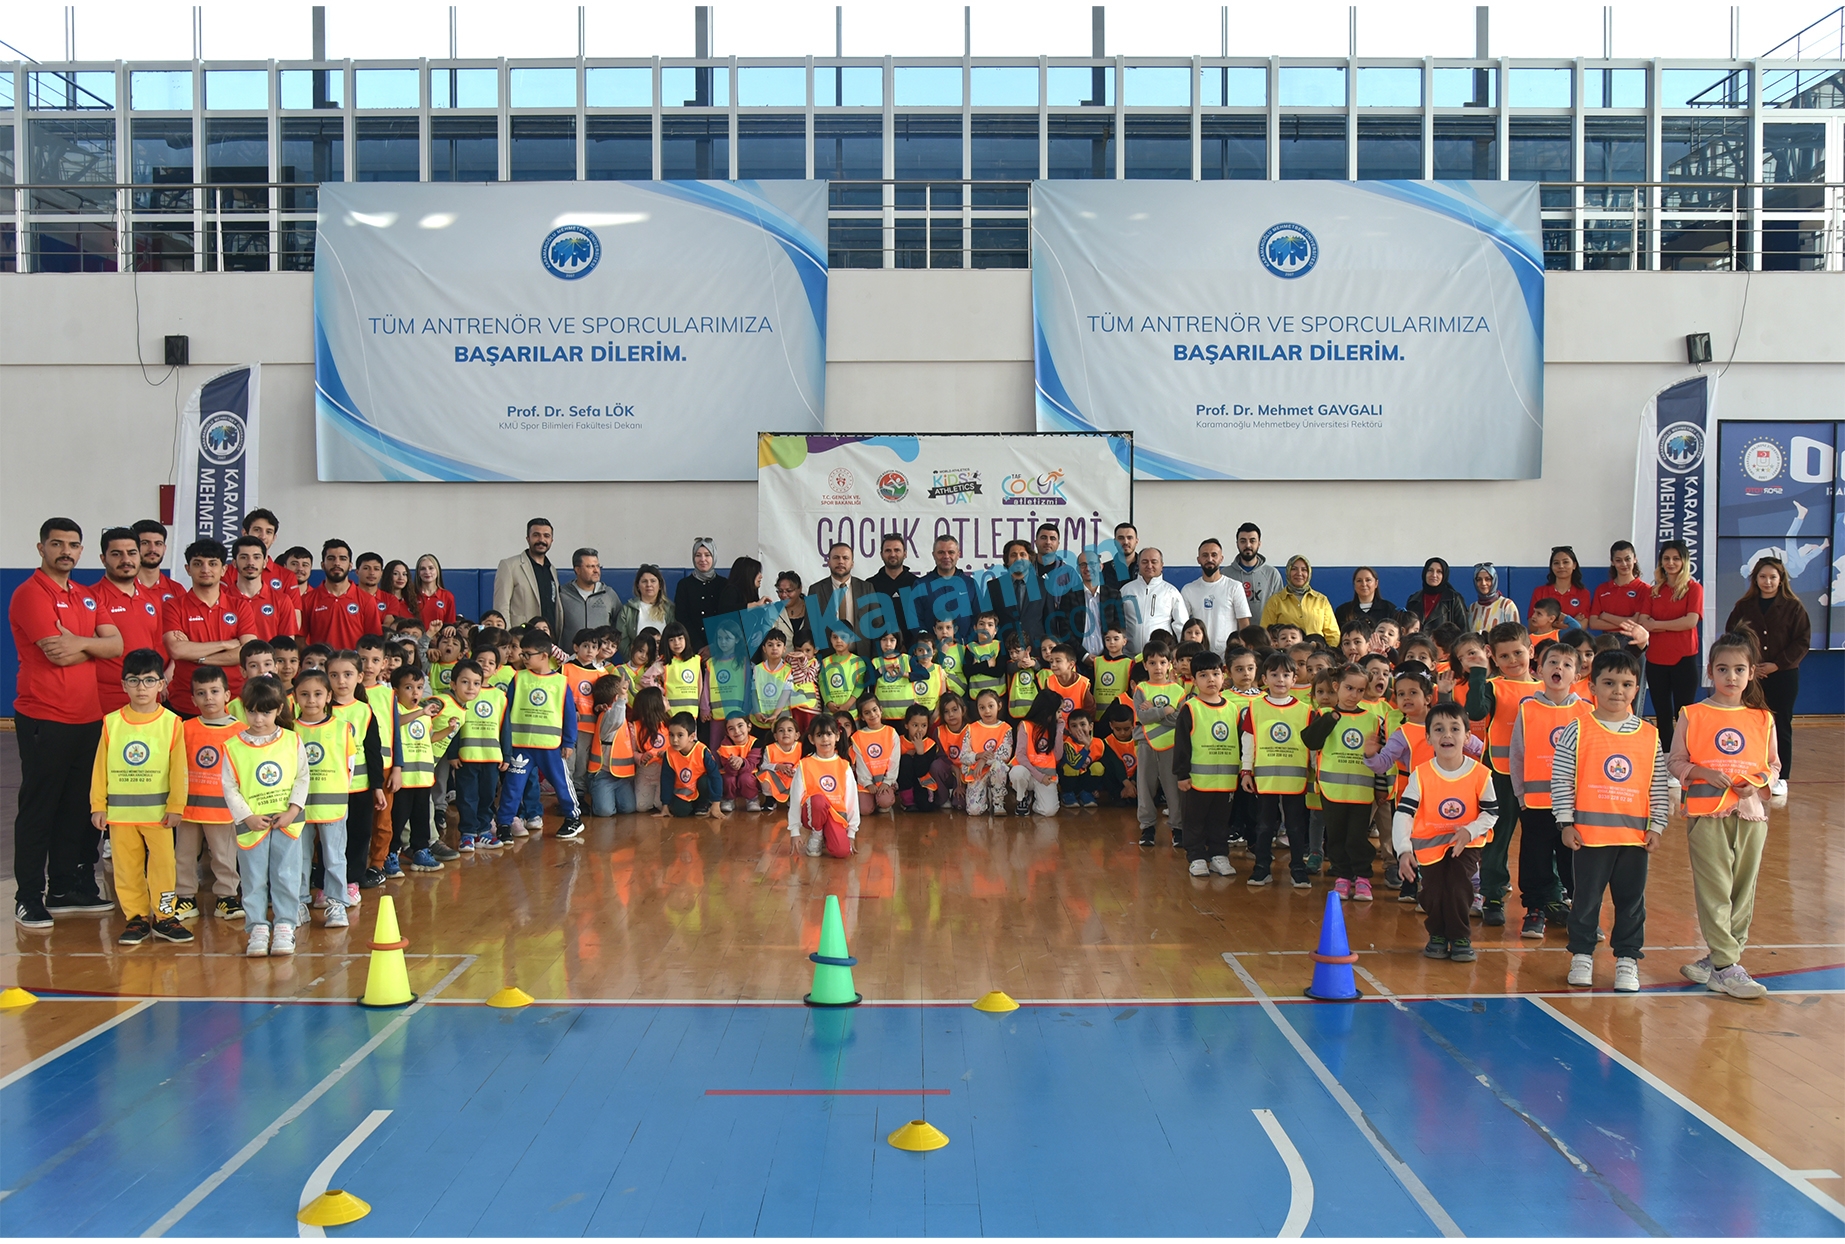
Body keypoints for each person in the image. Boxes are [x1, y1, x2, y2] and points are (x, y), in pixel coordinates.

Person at [1671, 631, 1778, 1000]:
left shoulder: (1763, 718)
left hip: (1751, 816)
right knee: (1714, 889)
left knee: (1742, 891)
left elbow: (1773, 766)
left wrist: (1756, 783)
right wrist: (1701, 772)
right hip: (1707, 815)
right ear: (1710, 672)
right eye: (1722, 669)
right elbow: (1676, 761)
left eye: (1739, 669)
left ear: (1751, 672)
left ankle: (1720, 958)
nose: (1731, 676)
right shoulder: (1693, 714)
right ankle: (1726, 965)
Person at [1555, 648, 1668, 993]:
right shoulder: (1577, 730)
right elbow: (1561, 779)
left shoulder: (1649, 735)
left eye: (1626, 684)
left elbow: (1657, 784)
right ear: (1592, 686)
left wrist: (1657, 826)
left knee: (1631, 902)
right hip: (1590, 838)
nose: (1617, 690)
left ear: (1637, 689)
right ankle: (1582, 954)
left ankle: (1627, 959)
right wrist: (1565, 823)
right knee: (1586, 900)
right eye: (1608, 683)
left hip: (1634, 839)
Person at [89, 647, 191, 945]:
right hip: (121, 816)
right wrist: (98, 805)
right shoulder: (112, 722)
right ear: (124, 685)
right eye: (134, 680)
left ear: (161, 684)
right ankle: (135, 918)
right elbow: (100, 768)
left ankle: (164, 916)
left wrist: (176, 805)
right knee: (126, 868)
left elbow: (179, 769)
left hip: (158, 815)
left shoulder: (171, 722)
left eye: (149, 680)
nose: (141, 687)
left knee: (163, 866)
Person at [1394, 701, 1497, 964]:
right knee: (1433, 890)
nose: (1447, 735)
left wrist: (1469, 832)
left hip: (1466, 845)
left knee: (1459, 886)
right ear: (1428, 737)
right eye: (1438, 729)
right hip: (1429, 847)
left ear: (1468, 736)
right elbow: (1404, 813)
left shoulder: (1481, 774)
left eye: (1455, 728)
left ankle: (1460, 937)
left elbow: (1491, 813)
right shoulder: (1421, 775)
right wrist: (1403, 850)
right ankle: (1438, 934)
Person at [221, 675, 308, 957]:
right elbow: (229, 787)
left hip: (287, 823)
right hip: (252, 825)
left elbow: (302, 777)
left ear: (279, 709)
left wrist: (292, 810)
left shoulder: (292, 740)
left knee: (286, 875)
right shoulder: (233, 746)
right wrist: (247, 817)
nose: (258, 719)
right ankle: (257, 926)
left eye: (266, 712)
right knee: (253, 878)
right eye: (252, 711)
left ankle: (284, 925)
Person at [1508, 641, 1589, 938]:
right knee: (1536, 860)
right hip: (1537, 805)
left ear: (1576, 676)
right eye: (1553, 662)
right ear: (1539, 669)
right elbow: (1517, 756)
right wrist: (1521, 796)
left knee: (1574, 861)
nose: (1559, 668)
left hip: (1575, 808)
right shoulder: (1528, 709)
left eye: (1567, 664)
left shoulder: (1586, 711)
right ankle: (1535, 909)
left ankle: (1581, 912)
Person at [1723, 556, 1808, 797]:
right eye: (1763, 577)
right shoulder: (1744, 606)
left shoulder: (1794, 607)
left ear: (1781, 580)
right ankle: (1750, 769)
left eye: (1772, 577)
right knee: (1750, 722)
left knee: (1781, 723)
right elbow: (1732, 635)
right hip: (1751, 676)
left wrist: (1777, 665)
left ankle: (1781, 776)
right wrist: (1749, 664)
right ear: (1755, 579)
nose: (1767, 582)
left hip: (1784, 676)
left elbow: (1802, 642)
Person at [495, 630, 586, 841]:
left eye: (528, 654)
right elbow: (507, 712)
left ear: (544, 655)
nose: (523, 658)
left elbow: (569, 715)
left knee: (562, 783)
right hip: (521, 745)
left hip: (551, 747)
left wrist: (569, 742)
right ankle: (504, 823)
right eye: (523, 654)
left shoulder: (560, 682)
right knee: (512, 787)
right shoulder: (518, 678)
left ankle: (573, 818)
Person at [1302, 664, 1383, 900]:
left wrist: (1381, 787)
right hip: (1332, 791)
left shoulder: (1373, 720)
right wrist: (1332, 718)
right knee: (1336, 836)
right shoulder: (1325, 715)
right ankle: (1342, 876)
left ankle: (1363, 877)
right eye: (1349, 688)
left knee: (1357, 837)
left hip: (1361, 792)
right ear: (1337, 686)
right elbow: (1311, 741)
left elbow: (1381, 757)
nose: (1354, 695)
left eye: (1360, 690)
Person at [1239, 651, 1313, 889]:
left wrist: (1314, 773)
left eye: (1286, 675)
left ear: (1294, 679)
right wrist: (1246, 771)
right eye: (1274, 674)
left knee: (1295, 827)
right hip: (1265, 779)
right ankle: (1262, 867)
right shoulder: (1255, 707)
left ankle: (1298, 869)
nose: (1280, 679)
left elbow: (1312, 746)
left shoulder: (1306, 710)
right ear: (1264, 679)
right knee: (1264, 826)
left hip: (1295, 780)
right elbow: (1248, 741)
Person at [163, 540, 259, 718]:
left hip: (235, 702)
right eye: (198, 563)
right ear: (188, 569)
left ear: (224, 570)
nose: (205, 569)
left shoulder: (240, 606)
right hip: (187, 702)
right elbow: (176, 650)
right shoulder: (173, 606)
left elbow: (248, 653)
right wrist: (225, 644)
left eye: (213, 563)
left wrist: (197, 656)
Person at [289, 669, 354, 929]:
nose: (311, 700)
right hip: (297, 807)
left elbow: (349, 766)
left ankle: (337, 903)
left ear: (328, 696)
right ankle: (299, 903)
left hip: (332, 805)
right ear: (295, 697)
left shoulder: (341, 727)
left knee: (334, 856)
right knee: (298, 857)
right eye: (304, 694)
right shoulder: (289, 730)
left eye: (318, 694)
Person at [1171, 651, 1238, 878]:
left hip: (1225, 781)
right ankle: (1197, 856)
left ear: (1223, 676)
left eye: (1215, 674)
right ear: (1194, 680)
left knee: (1220, 821)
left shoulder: (1232, 708)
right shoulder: (1191, 708)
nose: (1211, 679)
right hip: (1197, 781)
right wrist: (1182, 774)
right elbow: (1182, 744)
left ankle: (1219, 855)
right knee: (1194, 820)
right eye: (1203, 675)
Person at [1639, 539, 1704, 762]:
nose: (1671, 562)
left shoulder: (1693, 588)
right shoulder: (1654, 591)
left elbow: (1690, 621)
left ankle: (1685, 759)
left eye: (1676, 558)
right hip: (1656, 659)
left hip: (1684, 658)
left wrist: (1658, 625)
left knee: (1683, 713)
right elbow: (1643, 621)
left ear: (1684, 561)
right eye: (1666, 558)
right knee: (1663, 714)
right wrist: (1668, 625)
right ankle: (1667, 759)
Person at [91, 528, 168, 714]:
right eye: (116, 554)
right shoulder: (90, 598)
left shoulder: (152, 599)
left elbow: (159, 645)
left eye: (132, 553)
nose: (126, 560)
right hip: (107, 699)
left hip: (149, 699)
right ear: (103, 559)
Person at [1133, 640, 1186, 849]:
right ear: (1145, 665)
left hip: (1171, 745)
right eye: (1152, 663)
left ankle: (1177, 828)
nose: (1158, 667)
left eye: (1162, 662)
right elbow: (1142, 717)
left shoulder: (1178, 690)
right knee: (1145, 786)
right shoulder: (1141, 689)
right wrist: (1165, 710)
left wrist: (1155, 713)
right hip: (1146, 744)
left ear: (1169, 664)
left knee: (1173, 788)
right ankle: (1147, 827)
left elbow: (1180, 719)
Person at [788, 715, 860, 857]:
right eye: (819, 735)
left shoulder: (844, 765)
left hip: (835, 815)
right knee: (819, 800)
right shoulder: (804, 764)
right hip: (812, 813)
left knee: (842, 852)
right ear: (811, 739)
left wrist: (851, 833)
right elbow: (795, 799)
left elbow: (852, 802)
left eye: (829, 734)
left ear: (837, 736)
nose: (825, 739)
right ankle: (817, 834)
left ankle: (827, 836)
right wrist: (794, 832)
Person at [302, 540, 380, 651]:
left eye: (343, 559)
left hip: (354, 662)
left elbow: (374, 642)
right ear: (322, 565)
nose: (337, 563)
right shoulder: (307, 600)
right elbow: (300, 641)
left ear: (350, 566)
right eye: (331, 558)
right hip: (322, 662)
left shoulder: (367, 600)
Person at [808, 542, 876, 659]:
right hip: (827, 658)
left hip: (861, 656)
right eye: (836, 557)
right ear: (828, 562)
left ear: (852, 563)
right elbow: (810, 627)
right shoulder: (815, 590)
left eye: (845, 558)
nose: (840, 561)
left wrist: (875, 658)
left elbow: (876, 624)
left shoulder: (867, 588)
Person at [493, 518, 560, 633]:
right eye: (536, 535)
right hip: (521, 636)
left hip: (548, 637)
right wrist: (508, 636)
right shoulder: (509, 566)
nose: (541, 540)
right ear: (528, 538)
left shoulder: (552, 569)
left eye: (546, 536)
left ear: (551, 540)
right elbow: (501, 606)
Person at [1120, 547, 1188, 653]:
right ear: (1138, 564)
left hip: (1159, 657)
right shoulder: (1126, 590)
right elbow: (1118, 622)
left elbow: (1182, 625)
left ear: (1161, 565)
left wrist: (1181, 652)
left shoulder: (1171, 592)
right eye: (1144, 562)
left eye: (1154, 562)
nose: (1149, 565)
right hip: (1129, 655)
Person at [657, 713, 724, 820]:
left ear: (692, 737)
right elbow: (666, 780)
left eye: (680, 735)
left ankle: (704, 803)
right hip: (685, 793)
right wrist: (665, 805)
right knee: (680, 811)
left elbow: (715, 776)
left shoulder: (702, 751)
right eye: (671, 735)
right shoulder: (669, 754)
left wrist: (716, 804)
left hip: (702, 789)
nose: (674, 740)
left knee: (704, 781)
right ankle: (692, 807)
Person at [1260, 556, 1339, 646]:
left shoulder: (1321, 600)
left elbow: (1333, 634)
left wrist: (1328, 651)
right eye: (1294, 569)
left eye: (1304, 570)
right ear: (1288, 572)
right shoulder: (1275, 601)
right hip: (1285, 652)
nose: (1299, 573)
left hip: (1317, 651)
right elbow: (1266, 633)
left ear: (1309, 573)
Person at [1009, 688, 1064, 817]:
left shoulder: (1054, 727)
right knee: (1017, 773)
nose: (1061, 715)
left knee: (1049, 811)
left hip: (1046, 776)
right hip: (1028, 772)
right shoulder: (1025, 725)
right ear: (1047, 711)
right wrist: (1039, 776)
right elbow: (1020, 755)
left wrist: (1059, 731)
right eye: (1058, 711)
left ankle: (1035, 800)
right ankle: (1022, 797)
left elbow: (1058, 756)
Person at [230, 534, 295, 640]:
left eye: (256, 557)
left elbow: (287, 646)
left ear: (265, 563)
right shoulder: (221, 599)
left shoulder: (282, 601)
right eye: (244, 557)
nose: (250, 562)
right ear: (234, 563)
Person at [673, 538, 727, 653]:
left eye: (707, 555)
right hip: (691, 648)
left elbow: (726, 618)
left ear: (714, 557)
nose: (703, 559)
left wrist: (715, 646)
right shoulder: (684, 585)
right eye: (698, 555)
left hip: (720, 648)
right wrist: (698, 646)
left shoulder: (724, 584)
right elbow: (681, 617)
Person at [868, 533, 921, 645]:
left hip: (912, 649)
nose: (892, 554)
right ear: (881, 554)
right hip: (881, 650)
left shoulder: (916, 584)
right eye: (888, 550)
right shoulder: (870, 585)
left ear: (905, 554)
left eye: (897, 550)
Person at [1225, 523, 1283, 622]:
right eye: (1243, 541)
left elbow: (1279, 609)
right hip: (1234, 632)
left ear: (1259, 543)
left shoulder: (1272, 574)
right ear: (1237, 544)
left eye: (1252, 541)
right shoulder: (1226, 574)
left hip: (1265, 631)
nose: (1248, 545)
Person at [615, 564, 676, 657]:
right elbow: (622, 640)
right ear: (638, 585)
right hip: (637, 663)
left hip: (665, 662)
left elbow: (675, 637)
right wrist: (634, 660)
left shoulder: (670, 609)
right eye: (644, 581)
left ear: (660, 585)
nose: (649, 585)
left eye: (653, 581)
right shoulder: (627, 610)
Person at [560, 548, 620, 640]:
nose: (596, 570)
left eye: (598, 566)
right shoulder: (563, 594)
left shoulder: (609, 594)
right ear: (577, 570)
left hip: (600, 649)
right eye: (590, 567)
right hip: (569, 649)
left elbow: (619, 625)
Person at [1530, 546, 1592, 625]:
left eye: (1565, 562)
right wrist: (1571, 622)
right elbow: (1532, 625)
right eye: (1556, 563)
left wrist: (1548, 623)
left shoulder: (1583, 593)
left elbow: (1582, 626)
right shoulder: (1540, 592)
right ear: (1551, 567)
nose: (1561, 566)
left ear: (1574, 565)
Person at [1406, 558, 1469, 634]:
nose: (1434, 575)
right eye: (1430, 570)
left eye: (1439, 572)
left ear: (1444, 575)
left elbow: (1464, 632)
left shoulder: (1454, 599)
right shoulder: (1413, 599)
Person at [132, 519, 183, 606]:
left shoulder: (177, 590)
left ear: (164, 548)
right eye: (145, 543)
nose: (152, 549)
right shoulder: (121, 587)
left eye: (158, 543)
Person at [408, 554, 458, 629]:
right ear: (418, 573)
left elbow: (449, 625)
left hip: (439, 636)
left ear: (437, 571)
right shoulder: (411, 594)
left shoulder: (447, 596)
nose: (427, 572)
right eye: (423, 569)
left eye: (431, 568)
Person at [1467, 563, 1520, 633]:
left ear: (1494, 580)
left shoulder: (1507, 606)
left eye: (1488, 579)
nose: (1483, 583)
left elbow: (1516, 635)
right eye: (1479, 579)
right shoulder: (1472, 608)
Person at [768, 572, 814, 653]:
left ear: (799, 589)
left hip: (809, 660)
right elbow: (767, 642)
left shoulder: (812, 608)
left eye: (789, 591)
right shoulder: (773, 610)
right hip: (781, 660)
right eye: (780, 591)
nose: (783, 595)